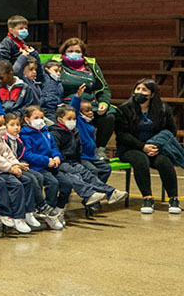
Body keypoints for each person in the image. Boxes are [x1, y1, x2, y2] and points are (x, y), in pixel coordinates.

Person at [114, 80, 179, 214]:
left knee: (164, 162)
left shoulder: (163, 109)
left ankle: (173, 199)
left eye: (144, 90)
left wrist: (156, 146)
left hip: (155, 147)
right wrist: (142, 147)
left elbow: (171, 130)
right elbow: (122, 135)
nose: (139, 92)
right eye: (137, 89)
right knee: (140, 160)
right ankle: (147, 198)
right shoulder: (124, 109)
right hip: (130, 148)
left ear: (152, 94)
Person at [0, 112, 53, 231]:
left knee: (27, 180)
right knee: (17, 185)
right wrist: (11, 168)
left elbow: (10, 154)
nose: (3, 127)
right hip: (1, 171)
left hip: (9, 168)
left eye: (3, 124)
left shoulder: (1, 139)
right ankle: (18, 216)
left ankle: (28, 212)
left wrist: (16, 165)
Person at [49, 106, 126, 206]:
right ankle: (88, 194)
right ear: (60, 119)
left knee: (87, 174)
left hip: (74, 161)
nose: (72, 121)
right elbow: (55, 150)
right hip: (62, 162)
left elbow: (78, 149)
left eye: (74, 119)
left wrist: (78, 162)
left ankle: (111, 192)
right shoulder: (54, 133)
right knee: (75, 176)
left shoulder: (75, 131)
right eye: (69, 119)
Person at [2, 112, 65, 228]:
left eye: (17, 125)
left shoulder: (20, 139)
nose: (16, 127)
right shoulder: (7, 139)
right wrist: (16, 165)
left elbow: (53, 148)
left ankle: (43, 211)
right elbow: (7, 156)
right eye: (12, 125)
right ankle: (36, 208)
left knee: (56, 181)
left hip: (21, 166)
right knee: (32, 179)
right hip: (10, 168)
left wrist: (56, 157)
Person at [52, 37, 116, 149]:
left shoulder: (91, 66)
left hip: (92, 104)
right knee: (79, 119)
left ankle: (99, 148)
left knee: (109, 117)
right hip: (68, 105)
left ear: (83, 53)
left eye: (77, 51)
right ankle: (79, 150)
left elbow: (103, 88)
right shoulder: (57, 66)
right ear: (64, 52)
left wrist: (104, 103)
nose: (74, 54)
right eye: (70, 51)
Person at [19, 106, 75, 217]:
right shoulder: (25, 135)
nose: (40, 120)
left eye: (41, 117)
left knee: (67, 183)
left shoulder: (46, 131)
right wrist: (46, 160)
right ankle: (47, 210)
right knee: (53, 183)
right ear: (27, 119)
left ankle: (59, 208)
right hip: (37, 167)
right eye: (36, 117)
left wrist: (56, 156)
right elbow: (27, 154)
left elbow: (53, 147)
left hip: (51, 166)